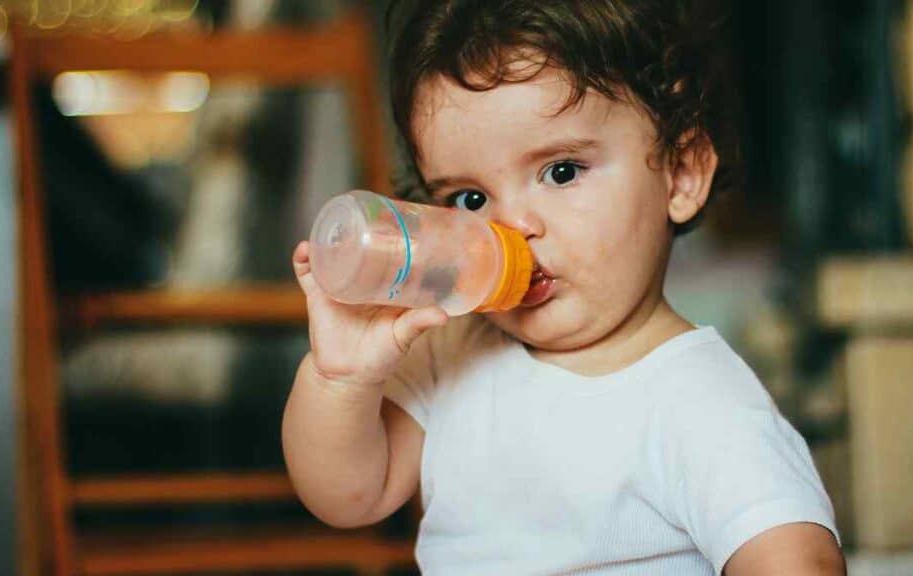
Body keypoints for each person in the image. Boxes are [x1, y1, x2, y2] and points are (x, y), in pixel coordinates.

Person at [282, 1, 844, 574]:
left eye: (561, 171)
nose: (512, 226)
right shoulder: (448, 351)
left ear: (681, 173)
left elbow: (798, 562)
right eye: (469, 199)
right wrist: (341, 380)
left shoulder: (699, 402)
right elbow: (349, 496)